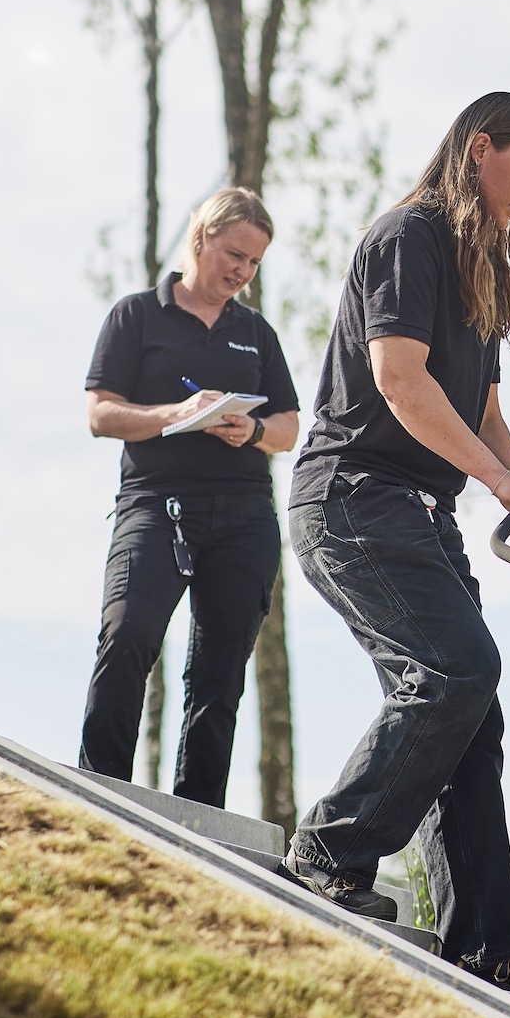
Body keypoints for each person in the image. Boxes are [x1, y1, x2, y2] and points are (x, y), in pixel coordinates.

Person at [285, 92, 510, 1002]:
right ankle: (329, 848)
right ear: (480, 148)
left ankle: (485, 941)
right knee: (454, 672)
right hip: (353, 497)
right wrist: (501, 485)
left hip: (423, 511)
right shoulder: (408, 237)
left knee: (473, 713)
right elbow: (400, 381)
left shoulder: (481, 265)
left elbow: (485, 412)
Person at [77, 186, 300, 808]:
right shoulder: (135, 316)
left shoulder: (255, 334)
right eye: (233, 254)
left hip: (244, 518)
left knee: (218, 677)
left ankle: (197, 817)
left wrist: (251, 430)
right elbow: (99, 414)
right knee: (128, 636)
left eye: (254, 263)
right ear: (200, 239)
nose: (241, 271)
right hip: (155, 505)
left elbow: (289, 426)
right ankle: (99, 795)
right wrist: (177, 413)